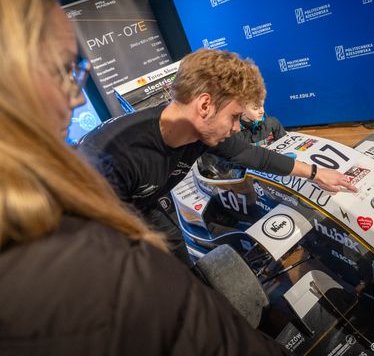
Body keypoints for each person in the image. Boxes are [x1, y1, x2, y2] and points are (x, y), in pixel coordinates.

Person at [0, 0, 290, 354]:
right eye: (63, 69)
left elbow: (250, 156)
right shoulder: (102, 218)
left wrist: (316, 173)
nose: (79, 98)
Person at [79, 48, 357, 266]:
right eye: (235, 117)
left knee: (173, 243)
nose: (237, 128)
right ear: (205, 105)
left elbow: (252, 155)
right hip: (99, 222)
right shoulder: (109, 157)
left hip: (141, 201)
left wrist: (316, 173)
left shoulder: (199, 129)